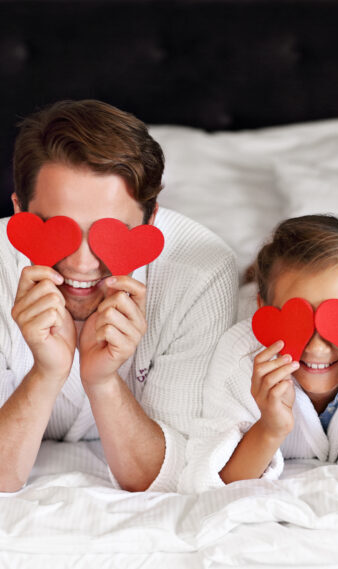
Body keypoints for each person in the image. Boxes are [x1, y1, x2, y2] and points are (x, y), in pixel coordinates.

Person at [0, 99, 237, 492]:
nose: (81, 264)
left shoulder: (201, 274)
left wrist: (104, 381)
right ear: (19, 209)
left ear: (151, 219)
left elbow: (167, 478)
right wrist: (46, 373)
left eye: (109, 233)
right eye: (58, 228)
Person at [180, 215, 338, 492]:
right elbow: (203, 483)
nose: (316, 347)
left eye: (337, 322)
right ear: (263, 306)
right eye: (296, 321)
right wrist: (270, 427)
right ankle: (250, 279)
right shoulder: (239, 354)